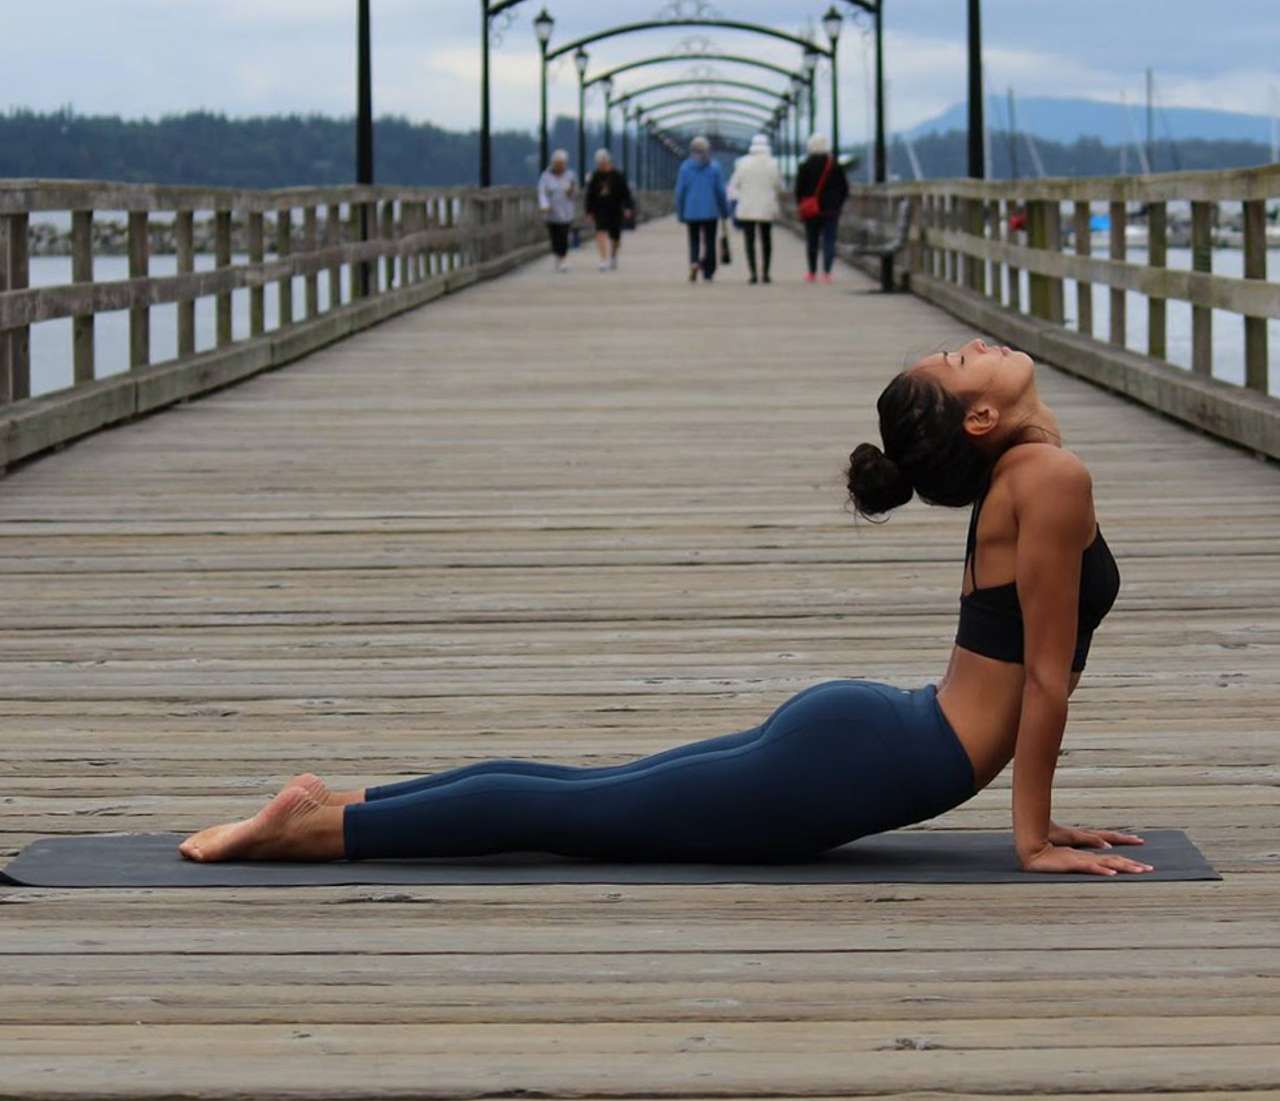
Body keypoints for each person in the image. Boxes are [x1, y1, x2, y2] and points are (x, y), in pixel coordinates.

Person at [180, 337, 1153, 878]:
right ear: (980, 419)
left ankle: (339, 800)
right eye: (958, 358)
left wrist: (1041, 822)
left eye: (954, 354)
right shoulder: (1050, 474)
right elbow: (1040, 678)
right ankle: (313, 829)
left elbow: (1030, 668)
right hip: (873, 752)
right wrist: (1030, 838)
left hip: (873, 733)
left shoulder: (1036, 472)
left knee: (580, 791)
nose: (969, 343)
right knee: (575, 810)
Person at [727, 133, 784, 284]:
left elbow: (733, 185)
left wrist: (736, 199)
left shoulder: (742, 163)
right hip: (766, 206)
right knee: (766, 240)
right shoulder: (773, 163)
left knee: (749, 241)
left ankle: (753, 274)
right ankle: (765, 273)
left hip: (747, 207)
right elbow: (779, 185)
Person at [794, 133, 849, 283]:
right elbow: (844, 188)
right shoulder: (835, 165)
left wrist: (801, 204)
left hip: (811, 210)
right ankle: (827, 273)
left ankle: (812, 272)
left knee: (812, 241)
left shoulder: (804, 166)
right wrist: (838, 204)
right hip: (831, 210)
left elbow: (798, 189)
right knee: (829, 241)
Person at [674, 136, 729, 283]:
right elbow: (720, 191)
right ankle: (708, 271)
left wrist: (680, 212)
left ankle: (694, 262)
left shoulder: (685, 167)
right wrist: (724, 210)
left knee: (694, 239)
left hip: (691, 211)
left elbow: (680, 192)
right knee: (710, 240)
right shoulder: (714, 167)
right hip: (710, 210)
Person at [584, 148, 635, 272]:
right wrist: (589, 212)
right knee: (600, 232)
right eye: (599, 163)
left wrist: (628, 207)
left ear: (608, 161)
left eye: (604, 163)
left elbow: (626, 193)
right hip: (600, 209)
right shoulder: (595, 176)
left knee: (615, 237)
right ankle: (603, 259)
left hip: (615, 209)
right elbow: (589, 195)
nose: (602, 165)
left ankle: (613, 255)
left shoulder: (618, 175)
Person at [537, 149, 578, 272]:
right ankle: (558, 256)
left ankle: (563, 258)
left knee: (564, 236)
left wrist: (571, 191)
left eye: (562, 163)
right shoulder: (546, 176)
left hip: (566, 212)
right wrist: (544, 205)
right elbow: (541, 192)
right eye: (558, 163)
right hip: (552, 212)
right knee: (555, 236)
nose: (560, 165)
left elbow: (575, 192)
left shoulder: (570, 175)